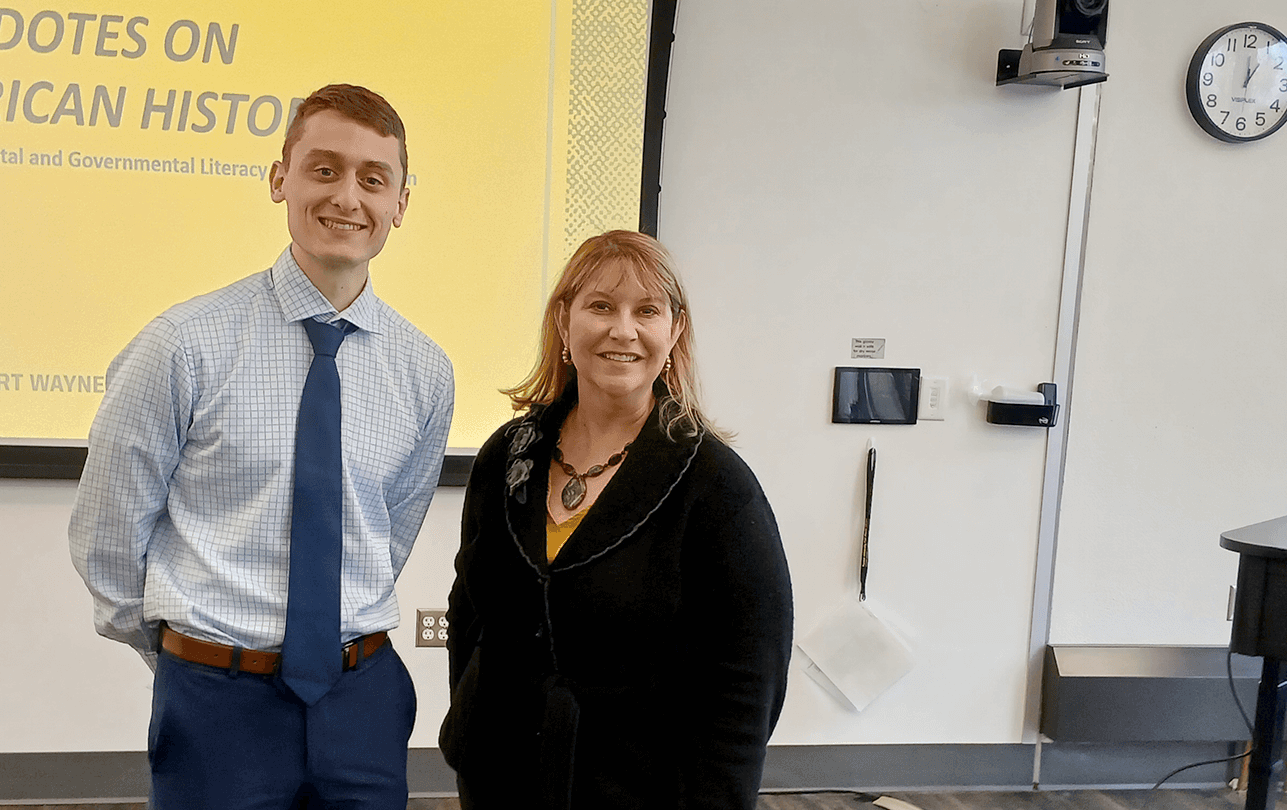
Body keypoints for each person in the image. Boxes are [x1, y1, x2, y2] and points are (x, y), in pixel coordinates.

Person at [69, 83, 454, 810]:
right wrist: (189, 657)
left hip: (362, 702)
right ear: (280, 178)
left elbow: (387, 535)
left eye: (374, 179)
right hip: (217, 703)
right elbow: (108, 538)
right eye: (324, 169)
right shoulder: (183, 346)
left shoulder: (424, 370)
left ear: (402, 201)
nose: (348, 197)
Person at [440, 230, 792, 809]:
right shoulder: (508, 456)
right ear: (564, 321)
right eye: (600, 306)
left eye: (646, 311)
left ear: (674, 332)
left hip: (643, 793)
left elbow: (746, 683)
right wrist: (473, 721)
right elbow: (469, 615)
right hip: (498, 781)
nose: (622, 330)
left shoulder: (716, 485)